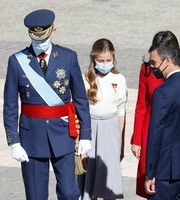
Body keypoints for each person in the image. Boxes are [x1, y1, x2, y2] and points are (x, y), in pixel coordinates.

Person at [3, 9, 92, 200]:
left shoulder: (68, 57)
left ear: (53, 30)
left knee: (69, 194)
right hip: (31, 137)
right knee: (36, 195)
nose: (40, 40)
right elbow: (10, 105)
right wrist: (14, 142)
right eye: (36, 36)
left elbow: (80, 99)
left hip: (63, 133)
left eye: (43, 35)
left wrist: (86, 135)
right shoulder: (17, 61)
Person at [78, 38, 127, 200]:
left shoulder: (119, 79)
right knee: (88, 180)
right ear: (94, 60)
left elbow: (121, 112)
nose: (105, 63)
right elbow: (79, 112)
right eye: (101, 60)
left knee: (110, 181)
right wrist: (80, 146)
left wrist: (120, 145)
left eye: (108, 60)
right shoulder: (85, 79)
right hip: (90, 130)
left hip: (111, 129)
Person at [144, 30, 180, 199]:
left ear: (167, 60)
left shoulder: (163, 92)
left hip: (168, 169)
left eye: (154, 62)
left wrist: (150, 173)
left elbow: (155, 134)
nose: (152, 67)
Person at [131, 50, 164, 197]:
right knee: (150, 182)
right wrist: (137, 140)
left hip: (171, 130)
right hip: (149, 130)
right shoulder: (146, 69)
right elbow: (141, 105)